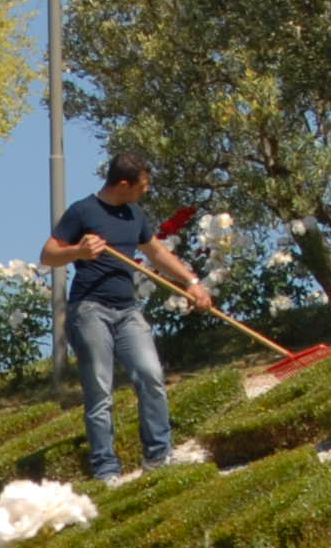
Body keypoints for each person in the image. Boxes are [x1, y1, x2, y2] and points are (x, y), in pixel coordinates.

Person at [40, 148, 218, 483]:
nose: (146, 189)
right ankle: (106, 470)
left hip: (127, 310)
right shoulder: (82, 211)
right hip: (89, 310)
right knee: (100, 390)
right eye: (143, 184)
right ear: (123, 184)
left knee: (150, 375)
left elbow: (156, 252)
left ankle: (159, 457)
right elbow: (48, 254)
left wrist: (192, 282)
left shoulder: (134, 214)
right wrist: (78, 251)